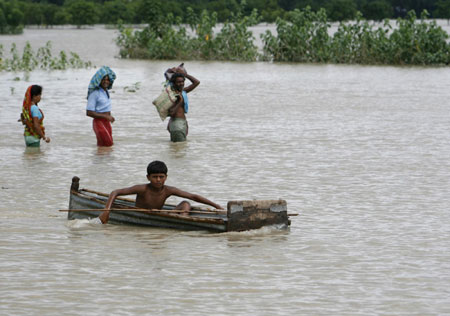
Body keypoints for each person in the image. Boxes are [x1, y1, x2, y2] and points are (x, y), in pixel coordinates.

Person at [98, 160, 223, 224]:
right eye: (155, 177)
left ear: (166, 177)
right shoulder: (142, 189)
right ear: (148, 177)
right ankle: (178, 221)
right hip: (142, 214)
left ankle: (183, 220)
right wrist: (106, 211)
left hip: (159, 213)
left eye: (161, 177)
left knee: (186, 203)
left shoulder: (168, 190)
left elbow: (193, 196)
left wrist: (216, 206)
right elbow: (115, 192)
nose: (158, 180)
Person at [166, 67, 200, 142]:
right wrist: (180, 101)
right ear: (173, 83)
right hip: (177, 124)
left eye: (182, 81)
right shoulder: (172, 95)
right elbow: (171, 113)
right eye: (178, 82)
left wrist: (185, 74)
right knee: (178, 151)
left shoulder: (183, 91)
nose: (181, 84)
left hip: (181, 123)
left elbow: (196, 82)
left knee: (179, 149)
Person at [86, 66, 116, 147]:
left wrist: (109, 117)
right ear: (99, 80)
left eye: (107, 79)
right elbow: (89, 112)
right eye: (103, 79)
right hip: (99, 122)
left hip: (106, 122)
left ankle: (100, 159)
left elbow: (106, 108)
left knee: (104, 146)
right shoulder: (95, 93)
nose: (106, 81)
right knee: (108, 144)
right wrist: (106, 116)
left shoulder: (105, 92)